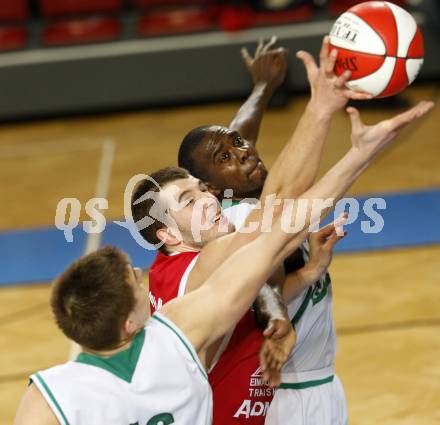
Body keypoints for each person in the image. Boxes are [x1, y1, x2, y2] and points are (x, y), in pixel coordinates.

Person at [132, 36, 433, 425]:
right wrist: (333, 121)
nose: (208, 199)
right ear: (168, 235)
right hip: (279, 398)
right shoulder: (206, 259)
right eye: (190, 201)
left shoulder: (174, 265)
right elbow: (280, 220)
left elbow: (256, 257)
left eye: (202, 190)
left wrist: (307, 274)